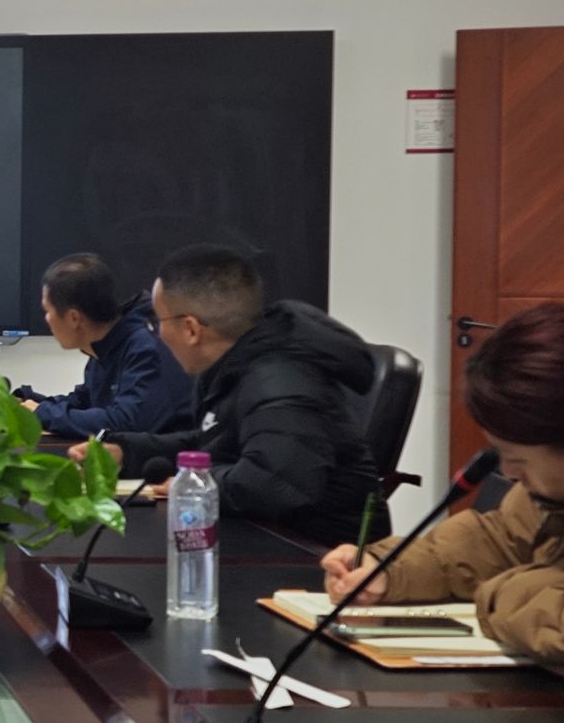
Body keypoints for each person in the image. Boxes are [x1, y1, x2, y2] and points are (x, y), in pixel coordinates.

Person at [70, 244, 384, 548]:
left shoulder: (279, 382)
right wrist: (126, 453)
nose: (156, 334)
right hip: (265, 539)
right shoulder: (239, 364)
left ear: (191, 329)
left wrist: (187, 482)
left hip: (316, 559)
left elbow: (272, 484)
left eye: (157, 322)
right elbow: (215, 443)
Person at [322, 304, 564, 658]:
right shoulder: (547, 496)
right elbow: (498, 541)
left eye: (517, 458)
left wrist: (499, 594)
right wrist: (388, 570)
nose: (509, 473)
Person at [14, 252, 192, 438]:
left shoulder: (147, 347)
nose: (46, 319)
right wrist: (28, 402)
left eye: (47, 310)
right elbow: (85, 402)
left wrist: (42, 413)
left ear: (74, 318)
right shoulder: (105, 344)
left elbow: (125, 423)